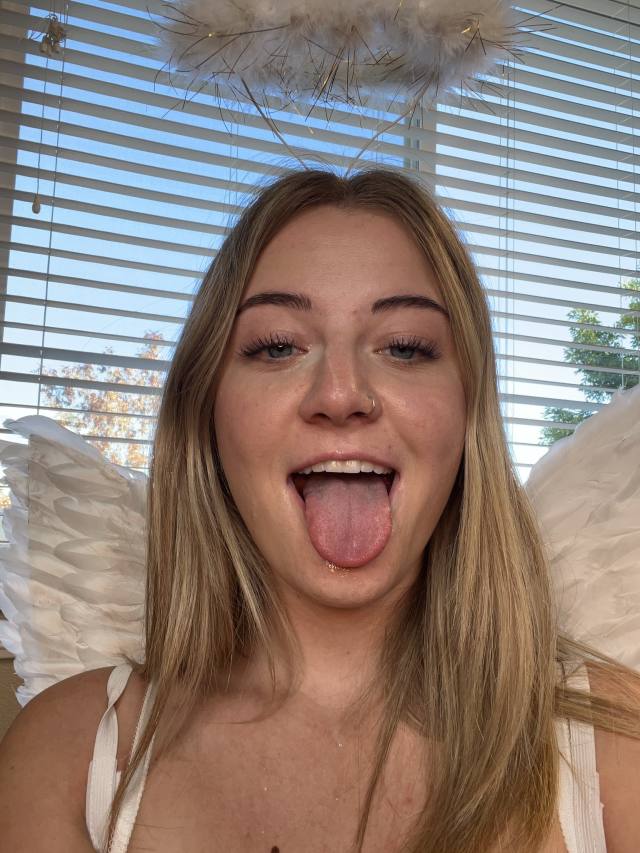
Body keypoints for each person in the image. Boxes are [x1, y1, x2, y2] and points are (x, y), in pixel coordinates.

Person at [1, 165, 639, 853]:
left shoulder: (615, 740)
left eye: (405, 347)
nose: (340, 394)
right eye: (277, 346)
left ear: (466, 415)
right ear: (207, 414)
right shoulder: (68, 755)